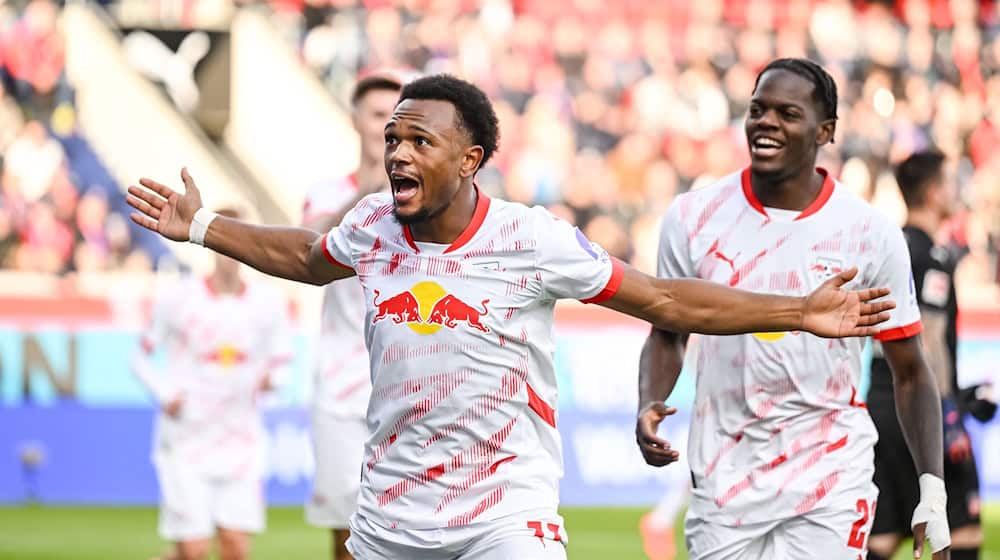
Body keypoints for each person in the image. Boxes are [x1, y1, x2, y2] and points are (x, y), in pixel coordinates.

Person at [126, 74, 894, 560]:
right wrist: (202, 227)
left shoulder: (532, 240)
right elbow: (302, 256)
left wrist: (798, 311)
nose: (396, 152)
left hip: (506, 511)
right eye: (393, 137)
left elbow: (663, 299)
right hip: (393, 509)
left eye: (418, 140)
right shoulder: (370, 228)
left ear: (469, 159)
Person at [635, 58, 951, 560]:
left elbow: (911, 371)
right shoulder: (693, 217)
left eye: (787, 113)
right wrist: (649, 399)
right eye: (758, 109)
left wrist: (931, 489)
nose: (766, 122)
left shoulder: (869, 234)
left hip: (831, 480)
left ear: (825, 130)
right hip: (724, 481)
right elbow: (668, 331)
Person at [131, 209, 293, 560]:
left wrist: (272, 381)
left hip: (241, 439)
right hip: (187, 438)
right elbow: (140, 356)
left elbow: (282, 363)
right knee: (194, 549)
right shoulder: (179, 298)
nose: (230, 254)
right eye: (223, 245)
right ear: (212, 247)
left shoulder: (268, 303)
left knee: (235, 546)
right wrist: (166, 394)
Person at [866, 150, 998, 560]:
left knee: (883, 536)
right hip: (922, 412)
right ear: (935, 191)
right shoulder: (934, 258)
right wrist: (950, 412)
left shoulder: (891, 248)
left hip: (881, 408)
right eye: (950, 182)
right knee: (961, 533)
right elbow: (931, 341)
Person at [301, 71, 403, 560]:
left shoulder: (421, 201)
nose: (388, 126)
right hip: (342, 385)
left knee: (412, 524)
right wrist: (366, 193)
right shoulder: (326, 193)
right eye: (378, 115)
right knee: (345, 532)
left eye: (397, 116)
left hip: (408, 383)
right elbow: (311, 249)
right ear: (355, 122)